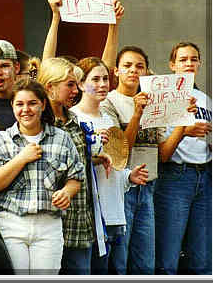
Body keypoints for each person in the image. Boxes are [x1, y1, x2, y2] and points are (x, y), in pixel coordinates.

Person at [100, 46, 197, 275]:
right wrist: (136, 114)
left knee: (145, 264)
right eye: (127, 66)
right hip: (121, 190)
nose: (133, 70)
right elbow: (119, 151)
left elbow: (162, 154)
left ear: (146, 72)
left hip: (149, 187)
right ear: (116, 71)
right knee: (120, 263)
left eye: (139, 66)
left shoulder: (155, 102)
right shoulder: (109, 102)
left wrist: (182, 121)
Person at [0, 79, 84, 274]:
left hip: (48, 224)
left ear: (43, 105)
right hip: (10, 222)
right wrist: (21, 159)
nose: (25, 109)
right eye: (19, 104)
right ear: (12, 106)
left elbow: (75, 177)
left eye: (32, 103)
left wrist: (67, 192)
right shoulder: (0, 141)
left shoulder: (62, 138)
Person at [71, 56, 149, 274]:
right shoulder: (73, 118)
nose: (102, 84)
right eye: (95, 79)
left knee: (116, 271)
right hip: (91, 216)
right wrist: (93, 148)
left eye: (105, 79)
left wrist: (128, 177)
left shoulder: (109, 118)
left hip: (115, 210)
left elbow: (114, 164)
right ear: (80, 84)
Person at [36, 57, 109, 275]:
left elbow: (74, 163)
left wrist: (94, 158)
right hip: (52, 221)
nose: (76, 90)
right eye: (69, 84)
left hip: (81, 220)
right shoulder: (39, 124)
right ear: (50, 86)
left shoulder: (75, 121)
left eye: (76, 84)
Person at [154, 42, 212, 275]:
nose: (189, 63)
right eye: (183, 59)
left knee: (202, 252)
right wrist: (184, 131)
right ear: (172, 64)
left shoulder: (205, 98)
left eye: (194, 59)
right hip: (175, 175)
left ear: (199, 63)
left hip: (204, 174)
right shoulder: (163, 94)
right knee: (169, 250)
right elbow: (161, 151)